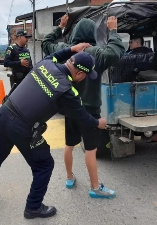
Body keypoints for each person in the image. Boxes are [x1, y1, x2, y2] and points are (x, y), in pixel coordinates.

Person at [0, 44, 106, 219]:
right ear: (80, 74)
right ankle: (33, 207)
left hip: (4, 114)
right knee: (45, 164)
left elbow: (55, 55)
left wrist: (71, 49)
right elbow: (83, 117)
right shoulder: (68, 91)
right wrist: (98, 123)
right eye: (85, 76)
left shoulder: (46, 63)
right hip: (21, 127)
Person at [42, 14, 125, 199]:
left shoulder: (66, 50)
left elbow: (46, 44)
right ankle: (95, 188)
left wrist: (60, 27)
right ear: (93, 34)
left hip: (70, 108)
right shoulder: (96, 53)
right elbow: (116, 51)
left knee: (69, 144)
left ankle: (70, 178)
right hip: (90, 110)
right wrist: (113, 31)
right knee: (90, 149)